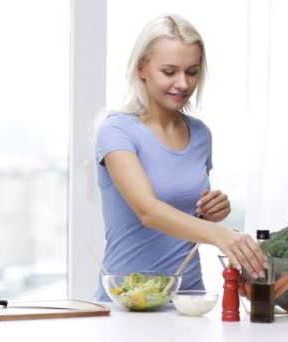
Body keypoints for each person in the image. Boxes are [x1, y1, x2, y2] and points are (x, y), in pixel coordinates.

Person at [94, 14, 267, 301]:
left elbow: (186, 213)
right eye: (169, 71)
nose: (183, 83)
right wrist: (220, 235)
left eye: (192, 72)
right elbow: (148, 211)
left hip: (188, 298)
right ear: (142, 68)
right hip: (126, 301)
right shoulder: (117, 131)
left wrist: (213, 211)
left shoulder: (200, 134)